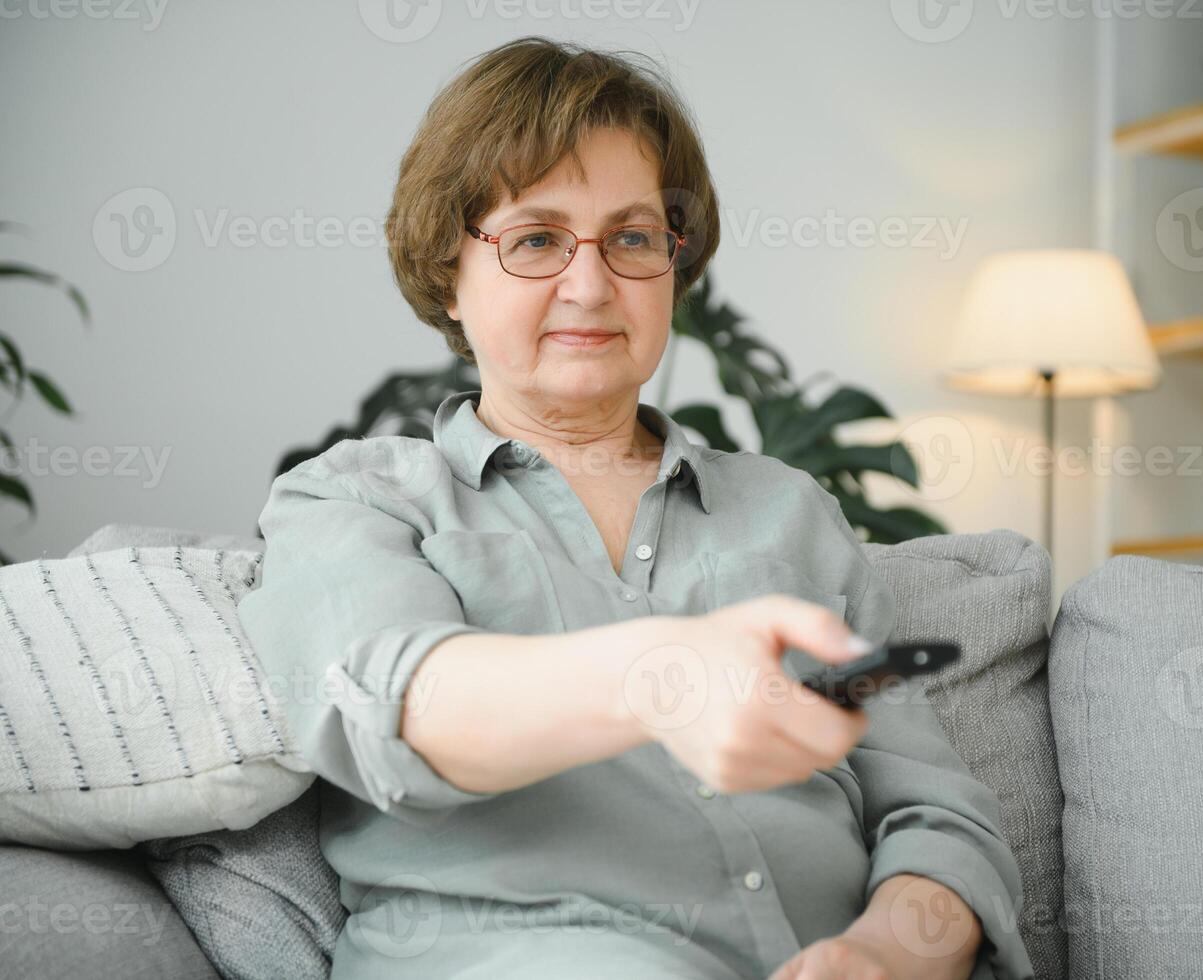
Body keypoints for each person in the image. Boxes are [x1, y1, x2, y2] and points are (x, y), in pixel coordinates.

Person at [237, 36, 1033, 980]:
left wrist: (881, 952)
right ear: (449, 274)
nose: (590, 283)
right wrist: (660, 677)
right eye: (534, 239)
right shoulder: (359, 497)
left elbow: (935, 815)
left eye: (631, 237)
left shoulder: (789, 514)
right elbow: (396, 709)